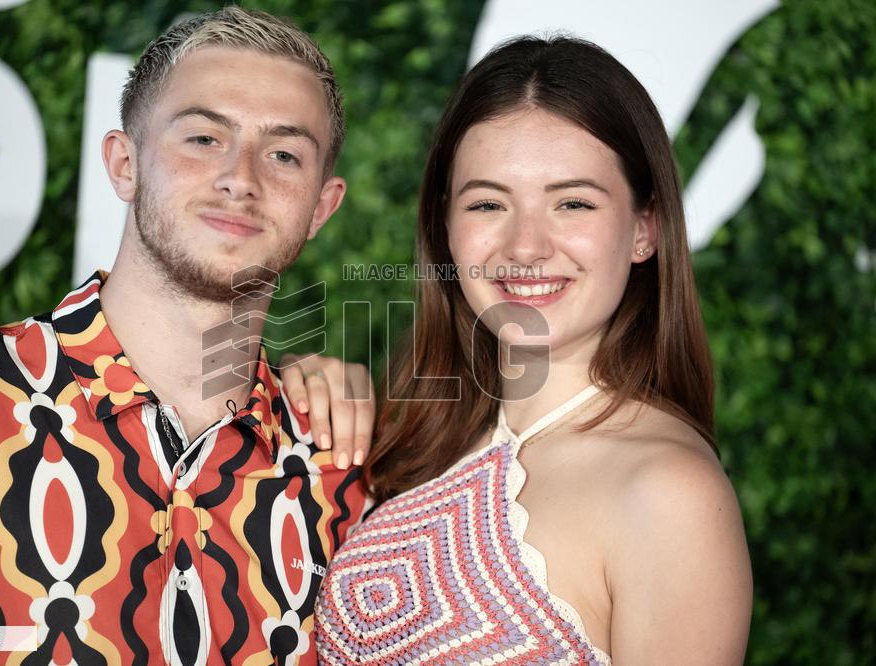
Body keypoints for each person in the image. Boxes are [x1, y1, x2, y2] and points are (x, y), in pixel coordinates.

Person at [0, 7, 371, 664]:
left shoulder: (349, 478)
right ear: (123, 163)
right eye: (204, 138)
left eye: (284, 154)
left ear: (321, 207)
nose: (241, 178)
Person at [296, 36, 753, 664]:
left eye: (572, 203)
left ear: (644, 228)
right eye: (488, 203)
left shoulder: (670, 494)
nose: (526, 247)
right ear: (445, 227)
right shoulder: (417, 439)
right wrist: (293, 392)